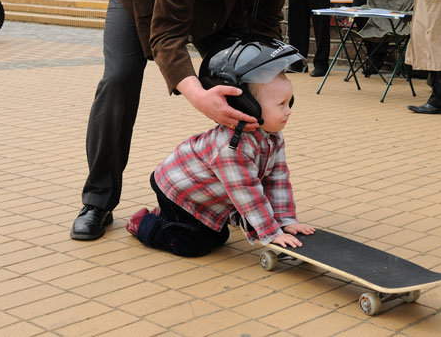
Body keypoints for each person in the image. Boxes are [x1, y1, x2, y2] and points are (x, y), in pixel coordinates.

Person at [70, 0, 310, 241]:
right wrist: (199, 96)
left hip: (219, 5)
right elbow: (167, 33)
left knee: (244, 86)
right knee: (120, 78)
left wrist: (265, 80)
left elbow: (264, 22)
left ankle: (237, 200)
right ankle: (98, 201)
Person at [125, 35, 315, 256]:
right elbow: (246, 191)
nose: (289, 110)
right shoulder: (231, 148)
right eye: (281, 104)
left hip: (205, 196)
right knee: (195, 245)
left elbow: (278, 178)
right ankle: (145, 223)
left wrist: (285, 220)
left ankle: (172, 219)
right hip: (177, 191)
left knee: (218, 236)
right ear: (248, 107)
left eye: (289, 101)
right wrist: (271, 232)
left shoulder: (272, 136)